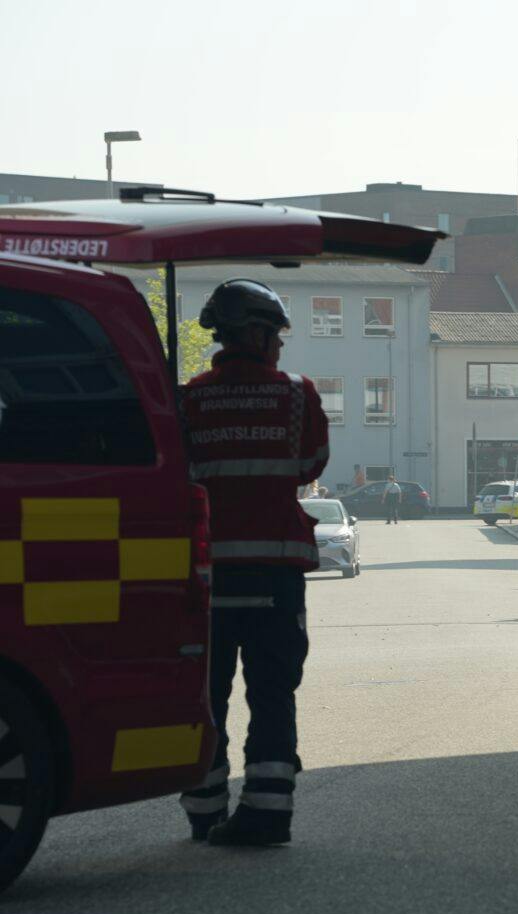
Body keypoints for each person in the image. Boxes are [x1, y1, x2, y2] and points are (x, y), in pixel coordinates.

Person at [179, 279, 328, 847]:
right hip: (275, 572)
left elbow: (182, 470)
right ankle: (266, 812)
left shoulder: (191, 397)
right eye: (278, 337)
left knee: (207, 696)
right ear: (259, 334)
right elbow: (310, 463)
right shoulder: (296, 394)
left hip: (207, 577)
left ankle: (203, 812)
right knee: (271, 693)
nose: (282, 349)